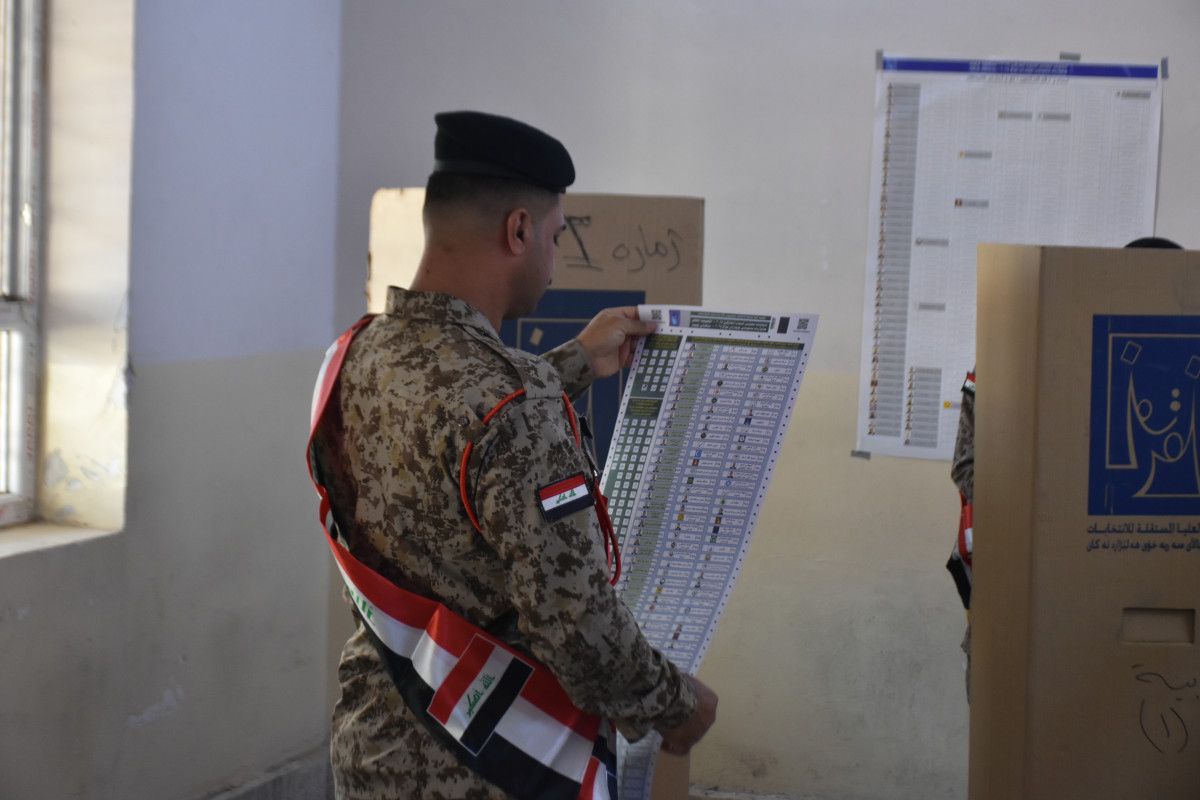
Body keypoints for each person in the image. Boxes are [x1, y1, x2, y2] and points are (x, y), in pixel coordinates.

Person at [309, 110, 717, 800]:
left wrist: (573, 362)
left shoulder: (355, 356)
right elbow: (577, 624)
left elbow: (457, 434)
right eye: (555, 237)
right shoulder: (512, 403)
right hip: (491, 766)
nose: (553, 262)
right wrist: (677, 705)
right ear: (519, 230)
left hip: (375, 744)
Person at [948, 235, 1185, 701]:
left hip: (1158, 592)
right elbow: (969, 468)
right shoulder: (1030, 350)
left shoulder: (1182, 370)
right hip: (1037, 588)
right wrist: (1056, 520)